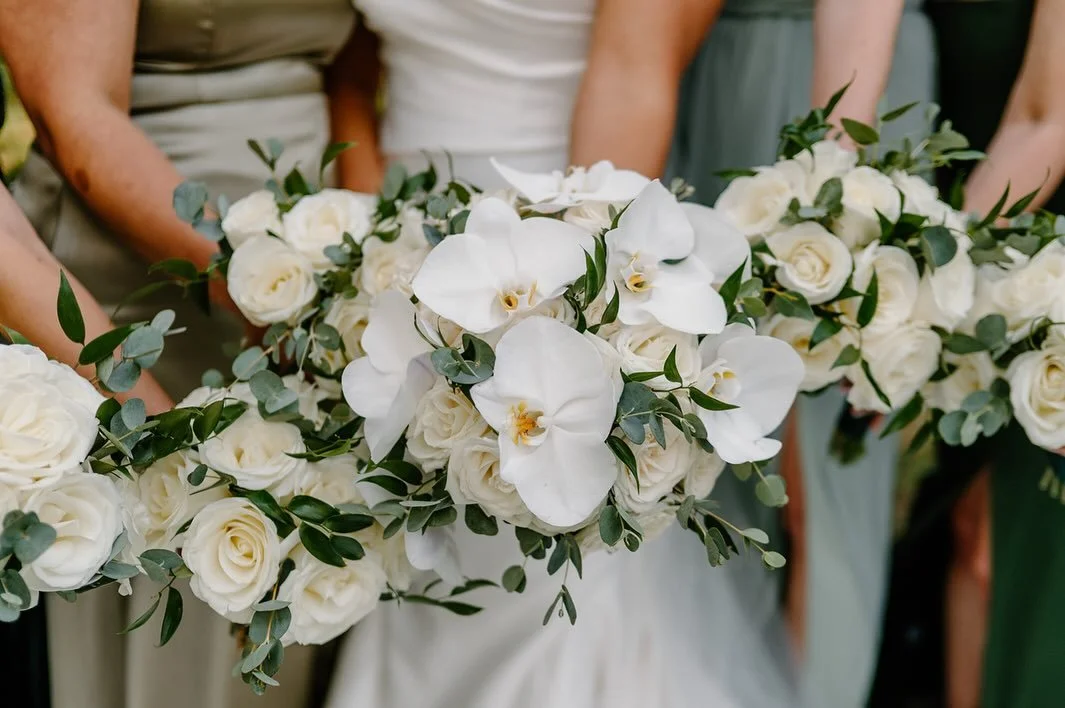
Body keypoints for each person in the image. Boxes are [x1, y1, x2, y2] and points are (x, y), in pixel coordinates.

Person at [324, 2, 735, 707]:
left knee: (534, 552)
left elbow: (635, 74)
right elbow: (349, 73)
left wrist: (579, 312)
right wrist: (374, 252)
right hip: (399, 263)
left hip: (550, 250)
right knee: (422, 548)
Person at [0, 2, 358, 707]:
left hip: (318, 262)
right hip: (141, 282)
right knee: (169, 607)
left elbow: (359, 73)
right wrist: (263, 290)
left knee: (307, 596)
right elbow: (72, 104)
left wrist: (358, 283)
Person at [580, 1, 933, 705]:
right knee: (700, 451)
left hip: (830, 76)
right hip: (704, 76)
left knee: (817, 490)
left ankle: (821, 688)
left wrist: (826, 193)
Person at [931, 1, 1065, 706]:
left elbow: (1046, 119)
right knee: (984, 542)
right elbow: (1040, 115)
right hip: (1023, 270)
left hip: (1029, 269)